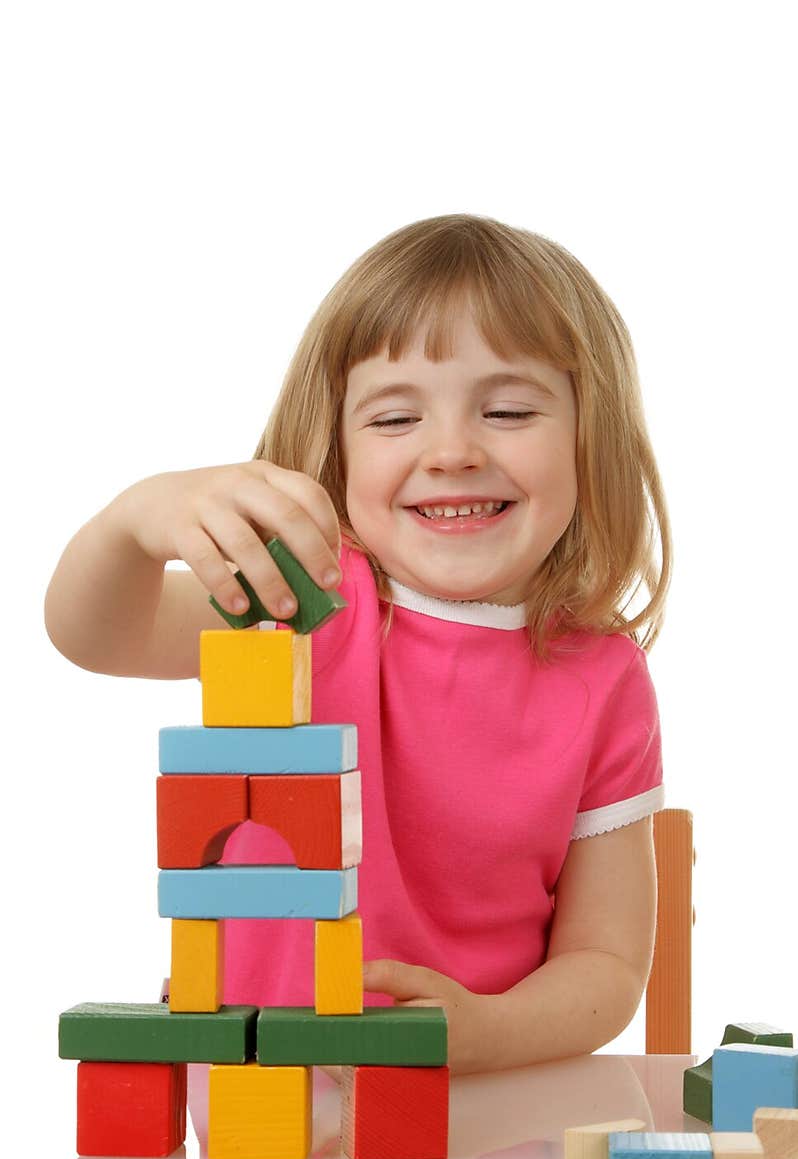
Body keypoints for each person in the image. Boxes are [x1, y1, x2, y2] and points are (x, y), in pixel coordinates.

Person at [44, 212, 672, 1075]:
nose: (451, 451)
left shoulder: (605, 678)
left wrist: (483, 1034)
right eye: (393, 420)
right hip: (260, 1093)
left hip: (477, 1112)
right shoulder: (302, 602)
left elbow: (605, 964)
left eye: (509, 409)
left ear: (587, 438)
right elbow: (94, 635)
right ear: (336, 447)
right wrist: (133, 521)